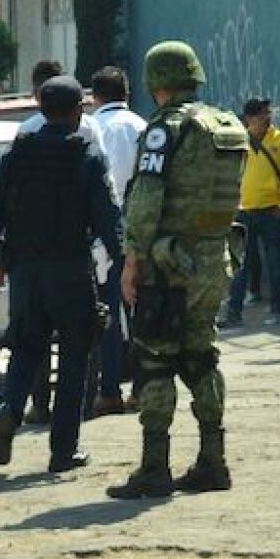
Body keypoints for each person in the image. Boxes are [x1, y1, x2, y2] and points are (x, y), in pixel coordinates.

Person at [107, 40, 247, 499]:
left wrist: (132, 260)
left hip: (169, 263)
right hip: (215, 258)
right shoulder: (226, 125)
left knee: (156, 357)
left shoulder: (165, 129)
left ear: (155, 82)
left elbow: (146, 200)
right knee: (202, 354)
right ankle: (213, 460)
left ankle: (154, 467)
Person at [0, 76, 122, 473]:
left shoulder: (18, 153)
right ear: (78, 111)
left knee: (26, 348)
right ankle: (63, 451)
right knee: (76, 355)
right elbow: (108, 217)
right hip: (72, 268)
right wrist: (124, 263)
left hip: (25, 269)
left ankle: (9, 408)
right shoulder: (87, 154)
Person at [16, 59, 103, 423]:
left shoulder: (23, 138)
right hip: (74, 258)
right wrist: (119, 253)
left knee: (31, 342)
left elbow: (4, 197)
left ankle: (29, 405)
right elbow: (104, 200)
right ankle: (72, 425)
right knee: (78, 344)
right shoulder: (88, 137)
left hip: (29, 260)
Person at [87, 66, 146, 417]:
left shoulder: (93, 129)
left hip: (104, 237)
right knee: (141, 309)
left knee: (107, 311)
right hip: (142, 229)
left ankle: (109, 390)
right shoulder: (143, 127)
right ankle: (141, 386)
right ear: (128, 91)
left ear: (95, 96)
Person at [218, 98, 280, 329]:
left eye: (268, 112)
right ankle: (233, 313)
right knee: (239, 266)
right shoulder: (240, 142)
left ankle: (277, 309)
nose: (267, 117)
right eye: (261, 114)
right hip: (244, 212)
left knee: (275, 263)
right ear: (250, 119)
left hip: (272, 212)